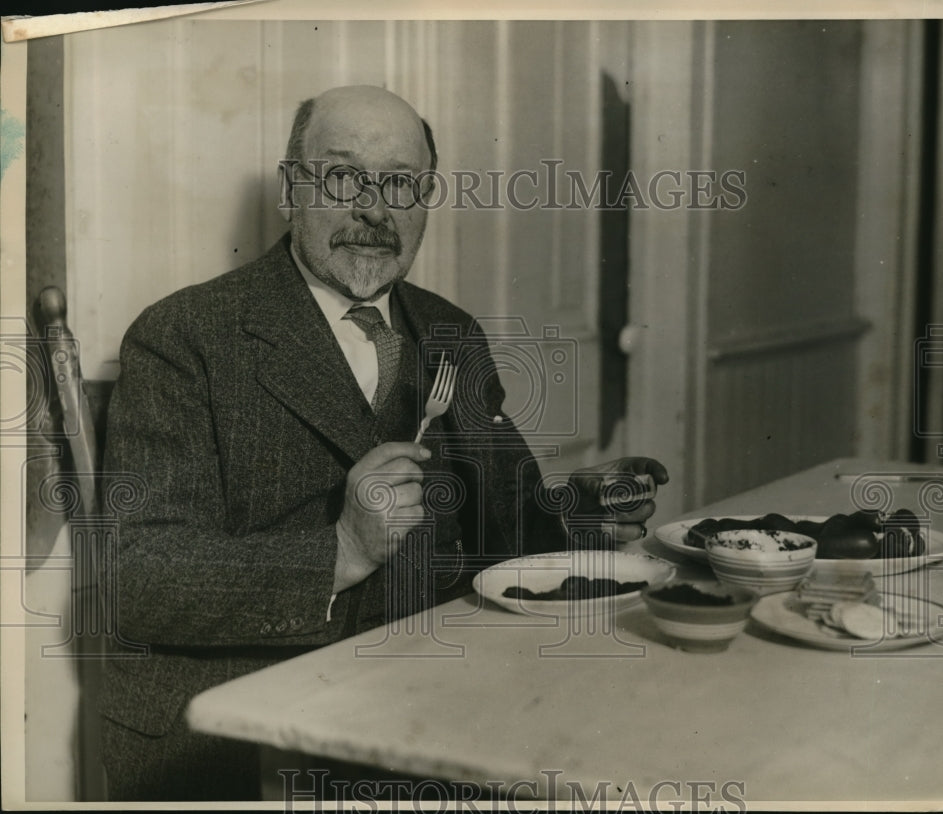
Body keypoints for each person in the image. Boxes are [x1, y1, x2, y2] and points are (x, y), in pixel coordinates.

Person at [99, 85, 668, 801]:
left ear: (425, 200)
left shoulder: (450, 331)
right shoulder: (186, 336)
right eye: (343, 177)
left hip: (429, 702)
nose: (374, 210)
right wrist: (343, 550)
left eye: (400, 183)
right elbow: (139, 579)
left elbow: (507, 531)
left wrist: (577, 512)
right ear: (291, 190)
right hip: (247, 729)